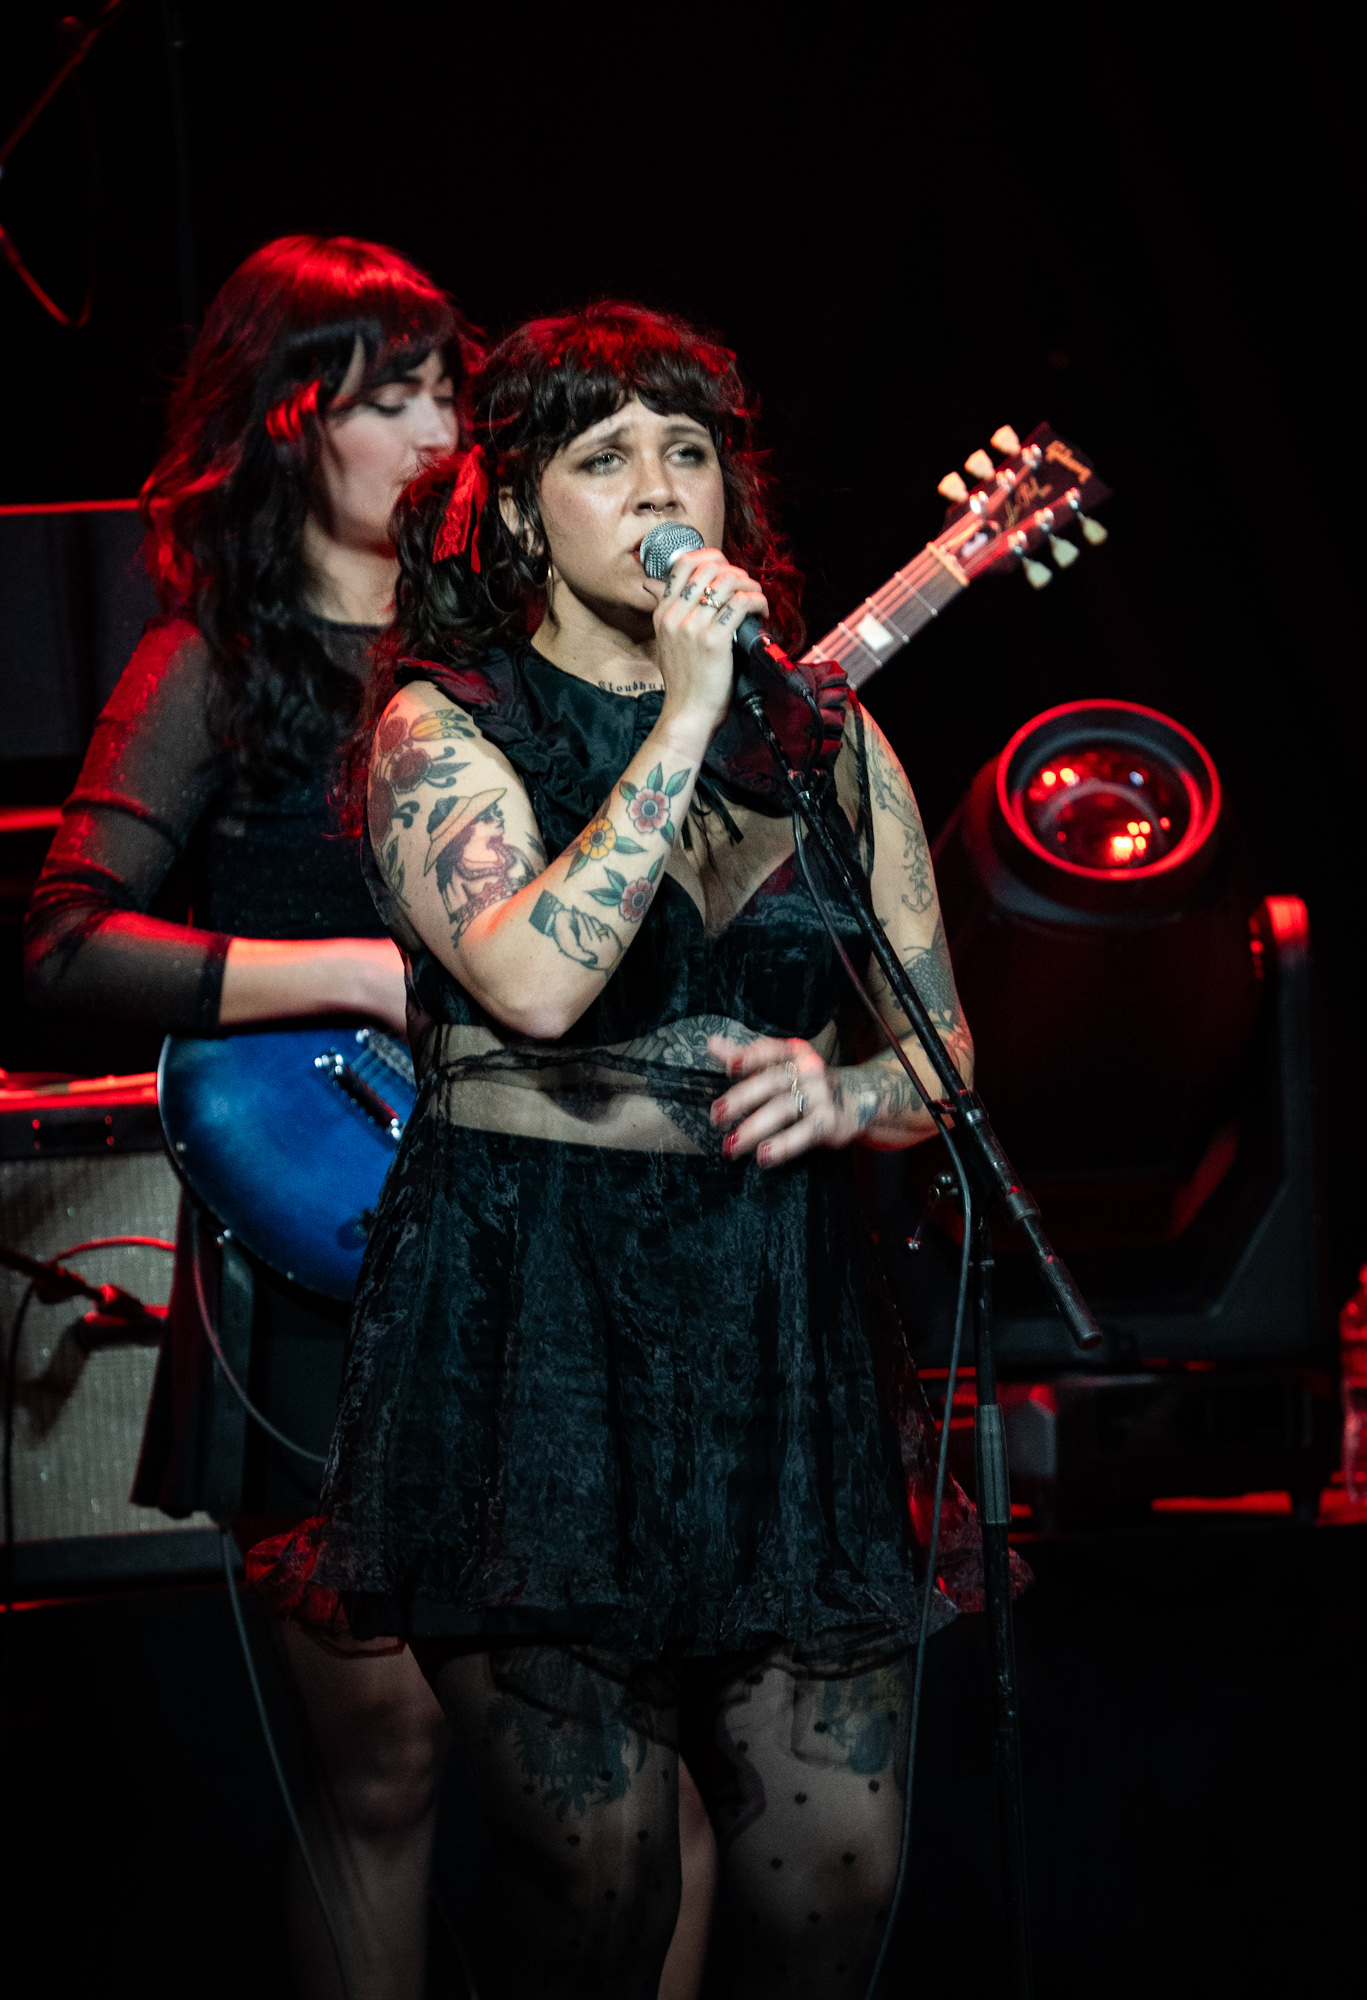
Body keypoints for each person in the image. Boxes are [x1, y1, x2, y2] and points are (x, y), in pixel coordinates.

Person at [250, 300, 979, 2000]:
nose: (660, 489)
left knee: (840, 1864)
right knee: (599, 1878)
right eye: (604, 458)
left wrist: (847, 1097)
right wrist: (682, 715)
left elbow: (942, 1058)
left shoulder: (830, 744)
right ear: (517, 510)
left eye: (689, 452)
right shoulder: (445, 724)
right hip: (534, 1330)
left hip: (773, 1333)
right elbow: (534, 981)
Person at [24, 235, 469, 2000]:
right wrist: (351, 972)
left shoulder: (501, 656)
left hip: (516, 1233)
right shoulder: (211, 664)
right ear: (294, 424)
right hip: (319, 1245)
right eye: (394, 398)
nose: (441, 434)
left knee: (589, 1751)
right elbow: (67, 941)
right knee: (388, 1763)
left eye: (448, 395)